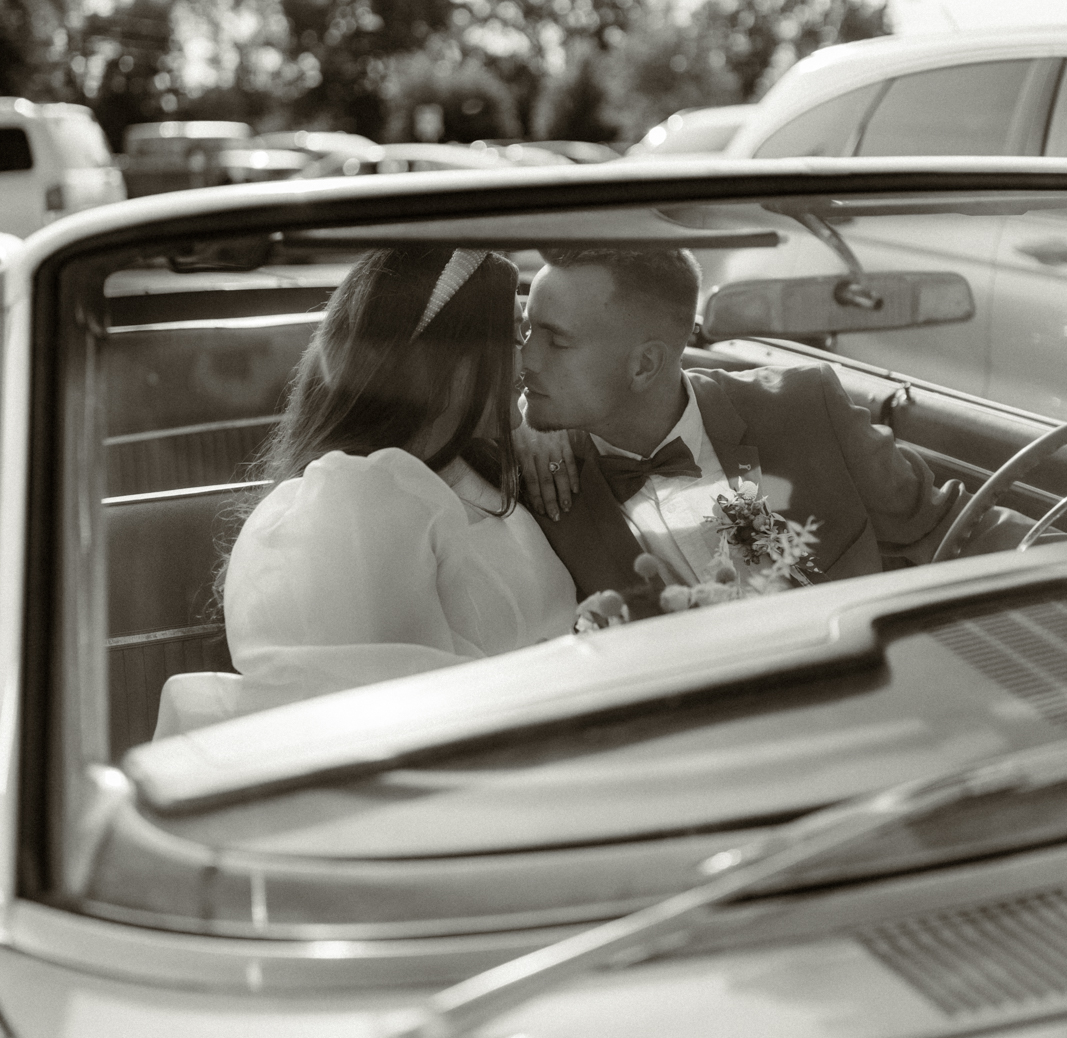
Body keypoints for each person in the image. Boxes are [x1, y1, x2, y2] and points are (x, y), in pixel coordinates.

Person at [154, 246, 576, 736]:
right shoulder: (353, 501)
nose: (529, 356)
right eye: (514, 333)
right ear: (450, 359)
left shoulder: (474, 466)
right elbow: (395, 718)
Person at [517, 246, 1028, 604]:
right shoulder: (535, 469)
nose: (527, 360)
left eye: (556, 342)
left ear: (645, 365)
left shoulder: (805, 407)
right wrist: (516, 419)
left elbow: (953, 530)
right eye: (526, 330)